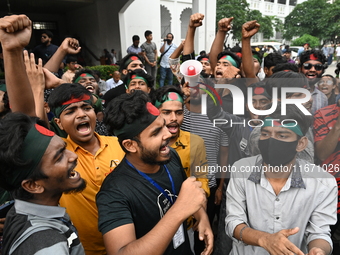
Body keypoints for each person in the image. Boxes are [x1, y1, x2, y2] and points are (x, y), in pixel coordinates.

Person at [97, 90, 213, 255]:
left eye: (163, 126)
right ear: (130, 145)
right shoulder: (114, 193)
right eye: (156, 132)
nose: (168, 134)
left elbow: (186, 194)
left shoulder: (169, 155)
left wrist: (202, 217)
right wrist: (178, 211)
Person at [226, 104, 337, 255]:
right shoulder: (241, 170)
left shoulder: (323, 183)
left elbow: (320, 232)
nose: (271, 141)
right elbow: (233, 222)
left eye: (282, 135)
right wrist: (264, 239)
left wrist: (318, 250)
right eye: (265, 134)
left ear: (300, 143)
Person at [0, 112, 87, 255]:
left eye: (65, 148)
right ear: (33, 185)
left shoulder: (18, 211)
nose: (73, 156)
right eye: (59, 157)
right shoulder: (49, 246)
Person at [153, 85, 210, 252]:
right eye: (166, 112)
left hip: (187, 224)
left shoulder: (196, 142)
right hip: (152, 223)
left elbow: (201, 180)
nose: (174, 118)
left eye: (179, 112)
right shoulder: (145, 144)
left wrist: (202, 213)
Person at [299, 49, 328, 114]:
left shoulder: (323, 98)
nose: (312, 70)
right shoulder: (288, 93)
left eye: (318, 67)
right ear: (300, 68)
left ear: (322, 71)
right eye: (307, 66)